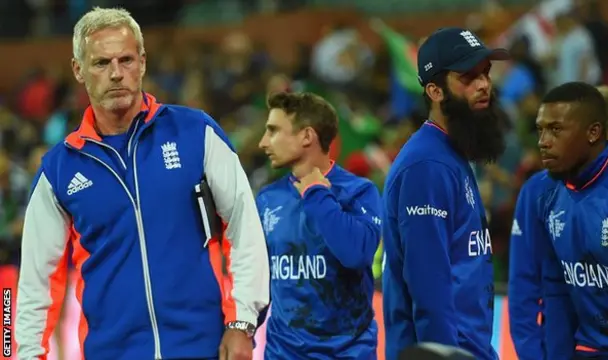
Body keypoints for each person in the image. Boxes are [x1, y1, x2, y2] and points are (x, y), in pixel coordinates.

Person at [15, 7, 269, 360]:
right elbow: (34, 283)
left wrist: (243, 322)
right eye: (102, 63)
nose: (117, 74)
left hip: (204, 348)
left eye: (126, 60)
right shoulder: (59, 169)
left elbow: (244, 227)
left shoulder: (195, 133)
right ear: (78, 70)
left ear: (143, 63)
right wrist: (25, 354)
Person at [381, 27, 510, 360]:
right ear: (435, 91)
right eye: (468, 77)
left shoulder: (450, 154)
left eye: (486, 74)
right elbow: (429, 289)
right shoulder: (427, 166)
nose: (483, 84)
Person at [510, 81, 608, 359]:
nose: (543, 141)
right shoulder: (541, 192)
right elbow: (538, 286)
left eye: (555, 130)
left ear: (594, 133)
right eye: (541, 129)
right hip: (584, 348)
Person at [256, 91, 382, 358]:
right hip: (283, 353)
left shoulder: (359, 192)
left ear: (306, 136)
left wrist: (317, 195)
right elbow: (257, 278)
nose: (263, 142)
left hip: (347, 353)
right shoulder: (267, 199)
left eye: (273, 131)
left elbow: (356, 254)